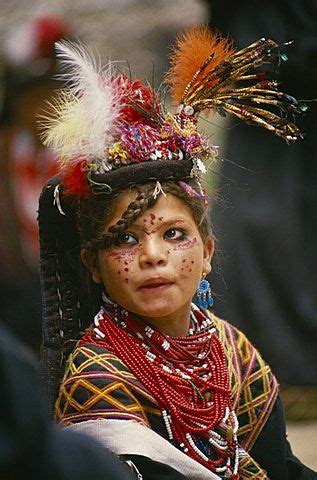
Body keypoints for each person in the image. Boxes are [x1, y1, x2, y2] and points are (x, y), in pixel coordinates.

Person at [38, 28, 316, 479]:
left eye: (174, 234)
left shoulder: (232, 352)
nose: (153, 255)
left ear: (208, 252)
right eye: (125, 239)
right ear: (92, 264)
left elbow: (280, 468)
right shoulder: (97, 383)